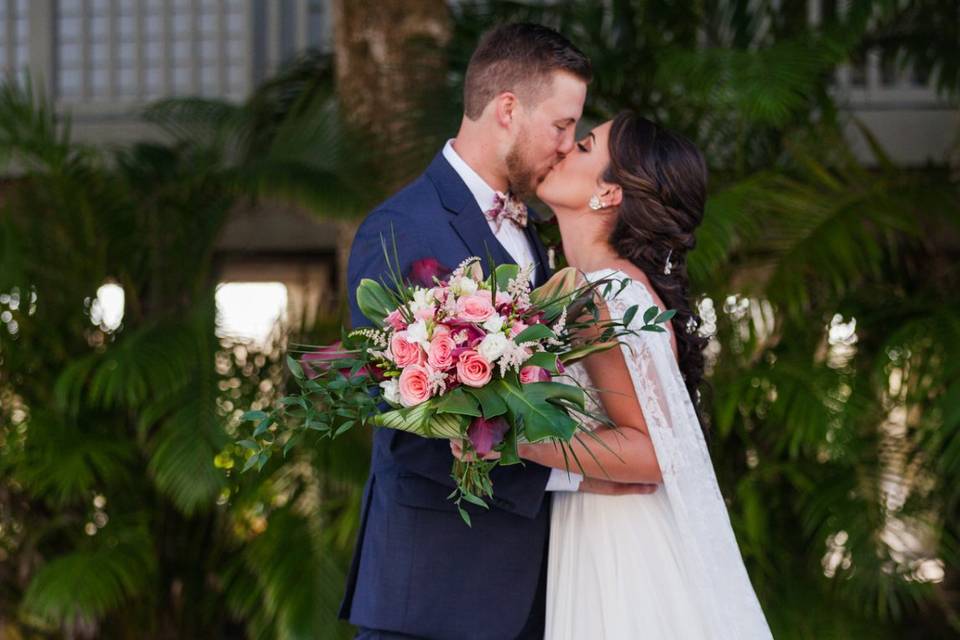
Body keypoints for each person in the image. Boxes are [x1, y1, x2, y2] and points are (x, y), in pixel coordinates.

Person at [342, 24, 653, 640]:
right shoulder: (401, 228)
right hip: (434, 596)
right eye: (563, 125)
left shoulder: (533, 230)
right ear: (508, 109)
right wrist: (579, 475)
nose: (567, 147)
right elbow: (408, 422)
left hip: (536, 598)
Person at [514, 113, 773, 638]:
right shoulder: (614, 289)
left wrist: (516, 440)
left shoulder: (600, 296)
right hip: (607, 527)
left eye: (583, 146)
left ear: (609, 192)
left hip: (621, 549)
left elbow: (653, 452)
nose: (563, 148)